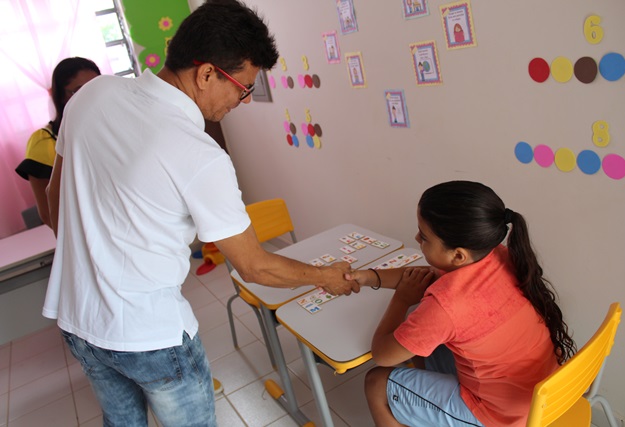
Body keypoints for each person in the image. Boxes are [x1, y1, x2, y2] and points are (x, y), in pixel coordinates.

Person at [44, 1, 358, 426]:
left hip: (79, 320)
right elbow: (254, 266)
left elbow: (55, 200)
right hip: (151, 336)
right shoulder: (199, 154)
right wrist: (326, 277)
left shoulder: (91, 95)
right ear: (207, 73)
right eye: (243, 88)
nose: (244, 101)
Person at [347, 180, 576, 427]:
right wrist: (368, 276)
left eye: (423, 237)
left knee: (376, 383)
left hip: (502, 417)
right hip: (545, 392)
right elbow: (425, 277)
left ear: (458, 255)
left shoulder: (445, 306)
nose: (416, 238)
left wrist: (401, 299)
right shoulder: (495, 254)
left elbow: (382, 354)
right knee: (430, 344)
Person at [14, 57, 100, 227]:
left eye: (97, 87)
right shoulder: (44, 141)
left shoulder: (116, 127)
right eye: (79, 91)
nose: (91, 97)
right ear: (61, 96)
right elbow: (48, 213)